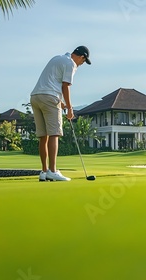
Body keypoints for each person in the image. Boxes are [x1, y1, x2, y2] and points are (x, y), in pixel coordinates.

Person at [30, 46, 91, 181]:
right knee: (54, 134)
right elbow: (65, 86)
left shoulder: (57, 58)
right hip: (50, 97)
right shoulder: (71, 63)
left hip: (35, 97)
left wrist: (61, 103)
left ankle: (44, 172)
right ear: (82, 57)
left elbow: (51, 82)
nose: (81, 64)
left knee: (43, 136)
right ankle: (53, 171)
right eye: (83, 61)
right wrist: (70, 108)